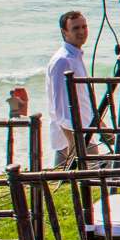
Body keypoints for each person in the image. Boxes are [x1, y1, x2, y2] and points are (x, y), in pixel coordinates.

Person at [45, 9, 90, 164]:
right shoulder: (63, 60)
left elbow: (83, 98)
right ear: (65, 32)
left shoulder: (75, 56)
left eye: (84, 27)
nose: (82, 31)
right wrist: (73, 142)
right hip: (70, 139)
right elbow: (59, 109)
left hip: (84, 131)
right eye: (75, 28)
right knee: (70, 181)